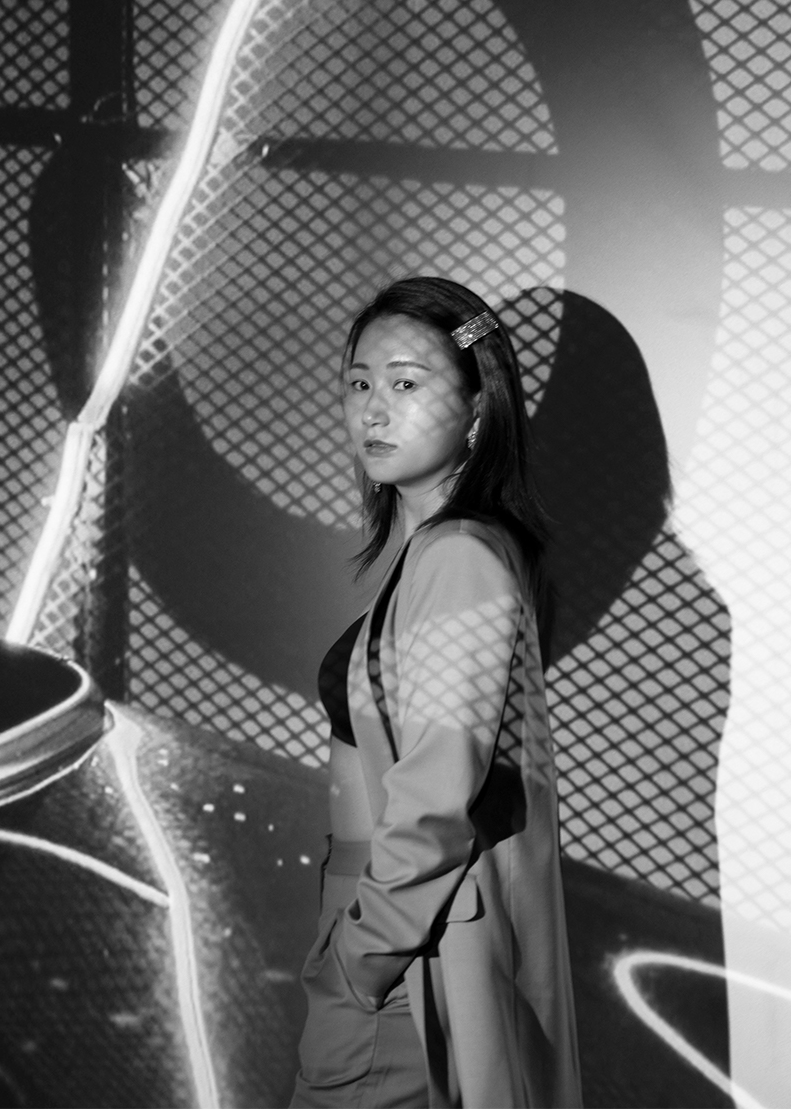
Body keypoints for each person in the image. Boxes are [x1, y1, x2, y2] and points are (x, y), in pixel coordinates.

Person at [291, 278, 582, 1108]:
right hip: (394, 936)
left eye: (407, 383)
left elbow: (434, 802)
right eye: (359, 383)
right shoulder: (450, 552)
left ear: (479, 409)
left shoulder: (461, 557)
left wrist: (356, 967)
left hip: (405, 953)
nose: (373, 411)